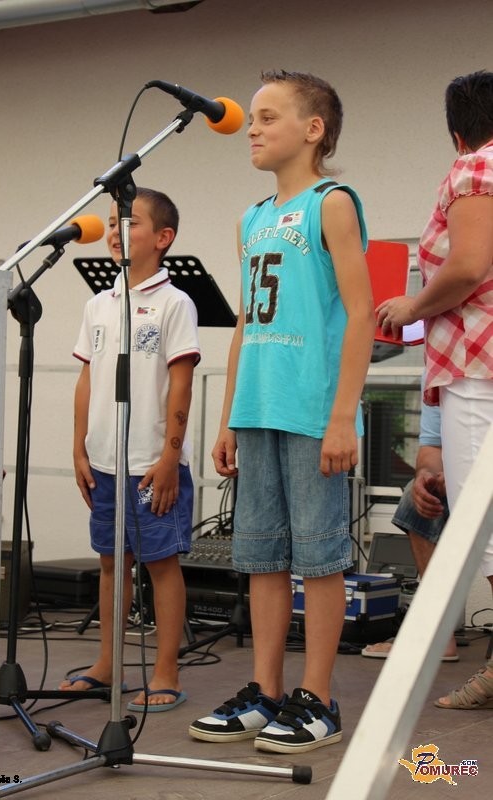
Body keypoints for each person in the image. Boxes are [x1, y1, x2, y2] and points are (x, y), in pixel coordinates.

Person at [189, 70, 375, 753]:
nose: (253, 129)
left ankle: (318, 698)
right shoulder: (252, 218)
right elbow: (246, 322)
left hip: (311, 410)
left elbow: (361, 313)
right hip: (258, 407)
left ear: (313, 129)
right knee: (262, 556)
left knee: (319, 559)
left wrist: (342, 415)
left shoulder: (332, 203)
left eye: (268, 117)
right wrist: (227, 417)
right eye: (253, 118)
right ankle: (265, 692)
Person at [375, 70, 493, 710]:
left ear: (457, 133)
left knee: (483, 523)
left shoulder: (476, 167)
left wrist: (412, 305)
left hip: (478, 366)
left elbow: (469, 266)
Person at [59, 187, 201, 712]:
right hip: (103, 462)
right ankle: (107, 663)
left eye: (131, 222)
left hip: (150, 464)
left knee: (160, 564)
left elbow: (181, 384)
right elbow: (86, 379)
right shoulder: (98, 304)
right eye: (114, 222)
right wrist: (79, 448)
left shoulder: (174, 303)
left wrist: (169, 457)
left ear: (163, 238)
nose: (117, 232)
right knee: (110, 563)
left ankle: (166, 671)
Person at [362, 395, 459, 661]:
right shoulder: (435, 376)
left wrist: (465, 474)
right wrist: (426, 476)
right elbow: (432, 448)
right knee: (415, 499)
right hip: (466, 479)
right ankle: (439, 635)